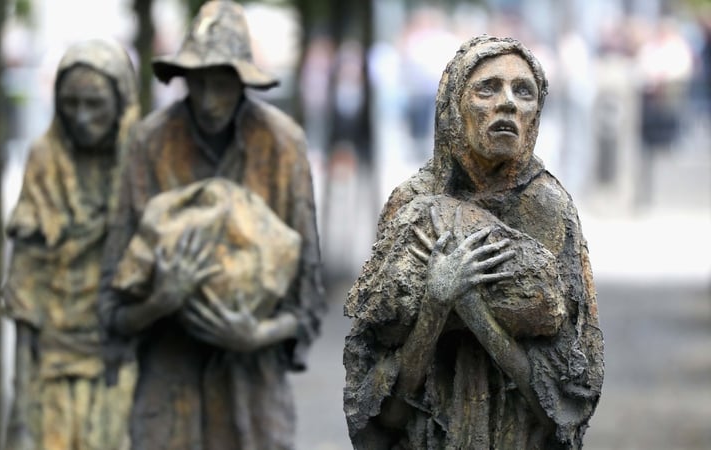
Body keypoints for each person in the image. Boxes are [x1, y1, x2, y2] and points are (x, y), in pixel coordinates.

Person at [343, 35, 604, 449]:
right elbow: (383, 412)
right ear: (453, 105)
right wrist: (434, 304)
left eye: (524, 92)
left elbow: (562, 404)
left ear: (536, 114)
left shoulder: (549, 209)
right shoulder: (411, 206)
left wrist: (472, 309)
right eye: (488, 88)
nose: (508, 104)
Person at [97, 1, 325, 449]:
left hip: (253, 391)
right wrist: (160, 302)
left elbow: (308, 301)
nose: (208, 99)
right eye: (198, 82)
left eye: (222, 83)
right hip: (169, 384)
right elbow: (111, 309)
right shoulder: (149, 142)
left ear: (242, 80)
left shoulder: (282, 146)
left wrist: (256, 333)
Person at [1, 39, 139, 450]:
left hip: (121, 361)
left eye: (95, 103)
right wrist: (20, 410)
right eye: (70, 102)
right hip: (52, 362)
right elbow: (25, 289)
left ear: (121, 100)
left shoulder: (141, 160)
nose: (82, 117)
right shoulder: (44, 160)